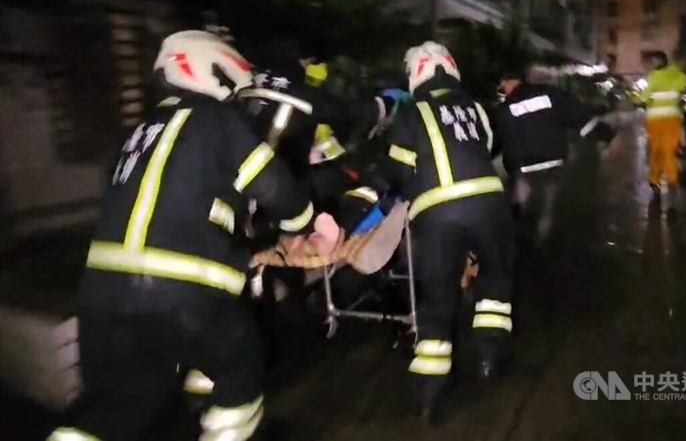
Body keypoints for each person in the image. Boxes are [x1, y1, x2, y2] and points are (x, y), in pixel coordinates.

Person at [47, 30, 338, 441]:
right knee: (241, 364)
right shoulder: (217, 118)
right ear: (210, 70)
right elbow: (273, 186)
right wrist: (304, 225)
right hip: (184, 291)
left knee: (115, 408)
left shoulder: (137, 134)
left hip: (102, 294)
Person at [373, 41, 514, 423]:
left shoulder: (410, 112)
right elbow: (485, 150)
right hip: (490, 206)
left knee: (437, 301)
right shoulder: (476, 108)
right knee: (495, 286)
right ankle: (490, 357)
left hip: (437, 215)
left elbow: (397, 172)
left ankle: (430, 394)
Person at [492, 65, 615, 242]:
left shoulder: (505, 108)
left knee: (522, 193)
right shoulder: (551, 94)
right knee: (549, 196)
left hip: (523, 163)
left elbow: (497, 138)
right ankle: (544, 230)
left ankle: (516, 234)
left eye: (504, 85)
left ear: (510, 83)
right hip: (553, 158)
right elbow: (578, 117)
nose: (504, 90)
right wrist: (605, 134)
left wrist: (483, 159)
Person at [639, 51, 686, 214]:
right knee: (670, 154)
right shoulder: (681, 77)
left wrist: (638, 99)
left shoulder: (653, 77)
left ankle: (655, 183)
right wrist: (682, 112)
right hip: (672, 122)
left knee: (656, 153)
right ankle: (672, 185)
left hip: (654, 123)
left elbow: (643, 99)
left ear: (657, 62)